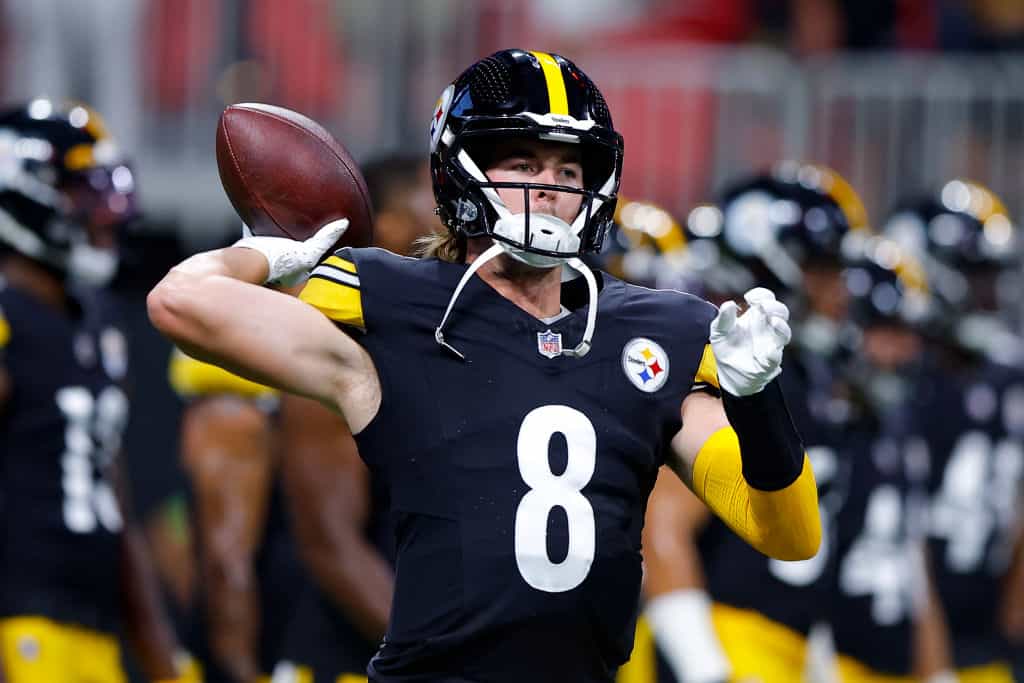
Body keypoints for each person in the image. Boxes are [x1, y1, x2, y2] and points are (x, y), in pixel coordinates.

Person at [147, 49, 821, 682]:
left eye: (568, 171)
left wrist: (759, 401)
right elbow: (181, 303)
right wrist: (267, 252)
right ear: (460, 169)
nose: (551, 189)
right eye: (523, 164)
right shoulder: (398, 304)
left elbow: (789, 533)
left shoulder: (657, 330)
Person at [629, 164, 867, 683]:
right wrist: (706, 667)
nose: (840, 288)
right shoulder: (729, 366)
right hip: (724, 637)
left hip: (782, 646)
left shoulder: (807, 372)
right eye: (823, 267)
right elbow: (662, 526)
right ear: (774, 262)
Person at [0, 100, 192, 682]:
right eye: (81, 194)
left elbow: (114, 498)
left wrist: (161, 652)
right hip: (21, 624)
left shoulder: (100, 321)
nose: (101, 212)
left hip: (92, 623)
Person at [885, 181, 1024, 682]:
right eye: (976, 275)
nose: (990, 294)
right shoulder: (894, 385)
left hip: (988, 638)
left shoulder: (1008, 376)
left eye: (992, 276)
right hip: (891, 637)